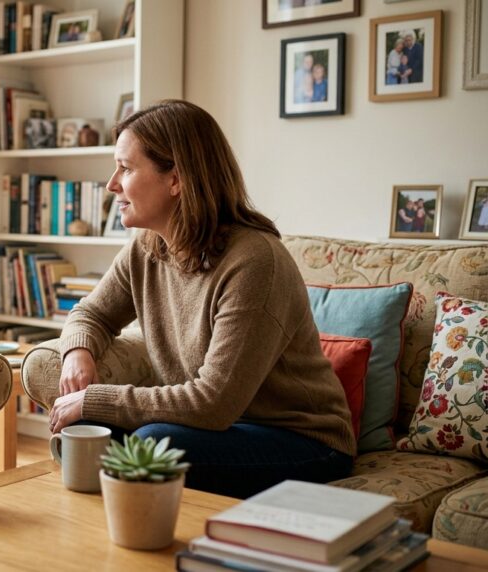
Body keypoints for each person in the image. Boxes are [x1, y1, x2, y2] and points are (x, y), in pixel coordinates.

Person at [47, 100, 356, 499]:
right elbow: (91, 313)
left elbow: (212, 403)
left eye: (125, 168)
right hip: (218, 429)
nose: (112, 184)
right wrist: (78, 353)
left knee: (151, 444)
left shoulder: (255, 262)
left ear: (175, 179)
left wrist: (94, 398)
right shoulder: (148, 248)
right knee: (103, 433)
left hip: (302, 441)